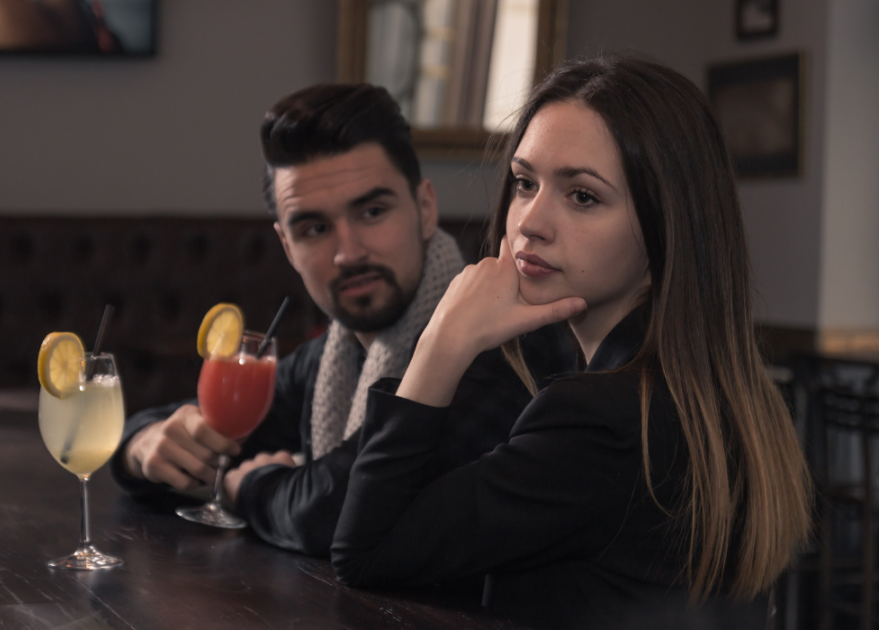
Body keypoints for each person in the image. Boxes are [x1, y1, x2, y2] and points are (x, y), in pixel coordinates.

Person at [330, 55, 813, 629]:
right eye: (525, 182)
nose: (530, 221)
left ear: (666, 234)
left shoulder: (602, 420)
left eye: (582, 196)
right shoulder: (706, 398)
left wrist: (441, 342)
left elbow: (365, 552)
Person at [110, 83, 575, 559]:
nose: (348, 252)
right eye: (314, 228)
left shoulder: (493, 343)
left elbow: (342, 506)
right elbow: (203, 430)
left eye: (373, 211)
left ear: (425, 208)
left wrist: (246, 488)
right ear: (288, 247)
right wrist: (144, 446)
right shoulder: (332, 356)